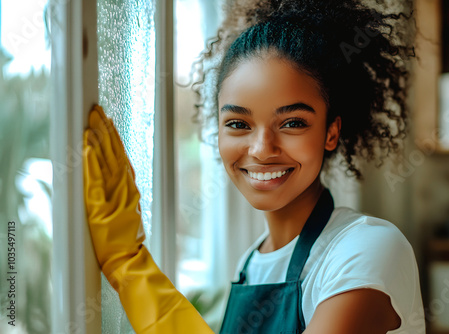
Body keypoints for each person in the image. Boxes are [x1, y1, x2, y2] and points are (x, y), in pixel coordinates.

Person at [83, 0, 425, 333]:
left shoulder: (367, 249)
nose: (262, 150)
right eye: (237, 124)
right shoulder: (251, 266)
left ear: (331, 132)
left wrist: (131, 266)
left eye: (292, 123)